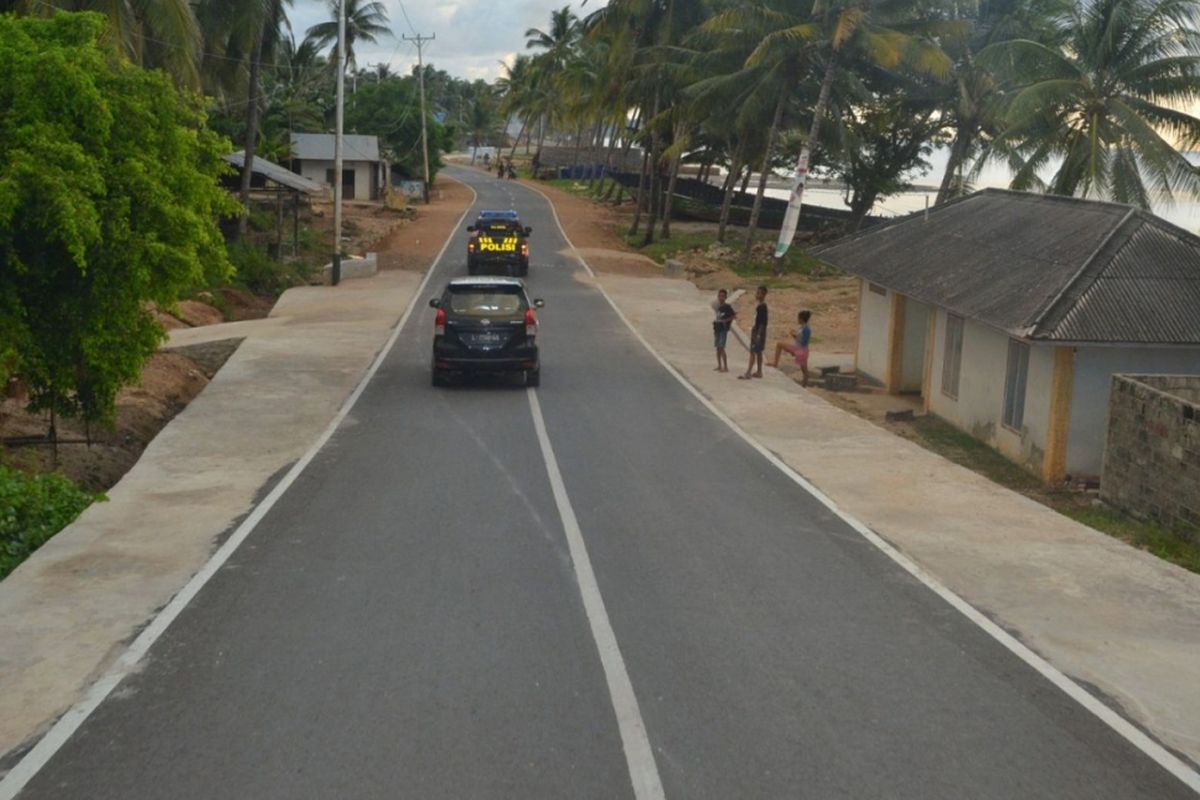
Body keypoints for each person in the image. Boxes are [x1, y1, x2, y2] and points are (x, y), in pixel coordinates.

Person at [770, 310, 813, 386]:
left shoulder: (806, 329)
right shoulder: (803, 328)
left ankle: (804, 386)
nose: (797, 320)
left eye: (798, 318)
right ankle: (775, 363)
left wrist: (794, 335)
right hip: (798, 349)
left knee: (805, 371)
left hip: (801, 351)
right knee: (779, 344)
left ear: (801, 319)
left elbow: (803, 342)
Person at [739, 286, 768, 380]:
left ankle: (748, 372)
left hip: (758, 332)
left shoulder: (762, 307)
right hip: (758, 331)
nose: (757, 294)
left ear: (763, 295)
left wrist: (758, 334)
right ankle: (759, 371)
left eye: (759, 293)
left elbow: (762, 323)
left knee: (753, 352)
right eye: (757, 292)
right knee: (759, 352)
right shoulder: (760, 306)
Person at [711, 289, 736, 372]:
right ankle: (719, 365)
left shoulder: (727, 307)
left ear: (725, 297)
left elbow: (733, 316)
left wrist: (726, 321)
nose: (721, 298)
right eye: (720, 296)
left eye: (723, 296)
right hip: (717, 328)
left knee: (721, 347)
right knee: (718, 348)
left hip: (723, 329)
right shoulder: (718, 307)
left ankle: (725, 367)